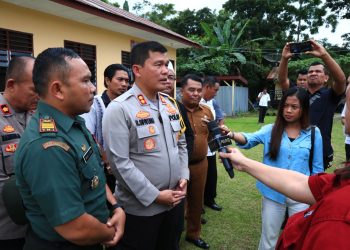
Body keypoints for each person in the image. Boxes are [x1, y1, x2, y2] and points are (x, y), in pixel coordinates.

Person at [15, 48, 125, 250]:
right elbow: (75, 227)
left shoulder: (73, 123)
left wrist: (116, 207)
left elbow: (94, 176)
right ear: (58, 90)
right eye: (85, 81)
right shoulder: (48, 147)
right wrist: (112, 231)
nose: (93, 88)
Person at [102, 41, 188, 250]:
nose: (166, 71)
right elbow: (120, 163)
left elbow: (182, 143)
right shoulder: (120, 109)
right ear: (137, 70)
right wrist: (155, 196)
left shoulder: (169, 104)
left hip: (174, 203)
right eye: (158, 64)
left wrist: (184, 176)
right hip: (141, 210)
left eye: (167, 64)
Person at [222, 87, 324, 250]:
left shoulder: (313, 133)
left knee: (297, 237)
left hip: (301, 195)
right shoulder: (271, 129)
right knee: (269, 237)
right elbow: (249, 139)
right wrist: (232, 134)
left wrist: (316, 196)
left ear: (303, 109)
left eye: (294, 107)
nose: (288, 110)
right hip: (272, 194)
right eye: (285, 105)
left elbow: (318, 168)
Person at [219, 146, 350, 249]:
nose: (344, 113)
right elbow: (303, 184)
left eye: (347, 109)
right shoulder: (343, 183)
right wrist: (244, 163)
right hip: (274, 197)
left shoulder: (337, 222)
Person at [278, 40, 346, 169]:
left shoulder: (331, 95)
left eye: (318, 71)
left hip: (319, 150)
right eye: (310, 72)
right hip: (296, 147)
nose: (313, 73)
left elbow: (341, 80)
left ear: (326, 78)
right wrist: (284, 58)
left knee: (314, 185)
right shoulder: (299, 94)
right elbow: (282, 80)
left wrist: (324, 55)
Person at [0, 56, 38, 250]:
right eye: (34, 89)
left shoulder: (40, 116)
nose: (39, 95)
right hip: (7, 227)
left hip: (38, 224)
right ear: (12, 84)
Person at [81, 63, 129, 205]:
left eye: (127, 81)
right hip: (105, 169)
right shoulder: (96, 104)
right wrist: (107, 160)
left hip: (125, 165)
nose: (124, 84)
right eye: (120, 80)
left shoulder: (127, 105)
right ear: (108, 81)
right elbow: (88, 134)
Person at [181, 74, 213, 249]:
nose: (195, 93)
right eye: (191, 90)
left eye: (199, 90)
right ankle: (173, 234)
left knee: (197, 201)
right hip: (179, 166)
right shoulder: (173, 111)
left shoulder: (206, 111)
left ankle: (193, 234)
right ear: (182, 91)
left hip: (201, 164)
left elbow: (211, 134)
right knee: (178, 203)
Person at [201, 76, 222, 212]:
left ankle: (210, 199)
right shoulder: (195, 101)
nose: (216, 93)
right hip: (200, 147)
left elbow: (220, 118)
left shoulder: (213, 102)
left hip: (212, 145)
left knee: (212, 174)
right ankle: (198, 204)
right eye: (215, 90)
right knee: (199, 177)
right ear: (207, 87)